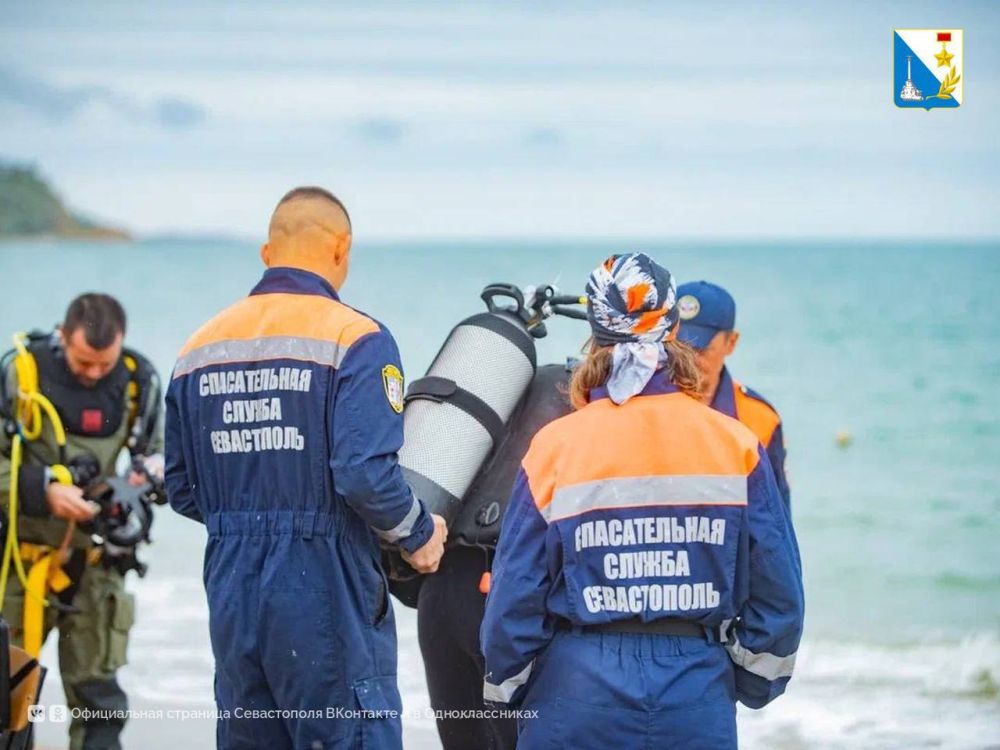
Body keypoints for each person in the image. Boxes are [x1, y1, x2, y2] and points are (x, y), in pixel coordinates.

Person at [481, 253, 804, 749]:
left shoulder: (556, 446)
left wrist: (517, 686)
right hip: (696, 687)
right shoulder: (735, 444)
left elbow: (514, 595)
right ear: (673, 328)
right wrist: (746, 680)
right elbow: (779, 595)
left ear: (595, 334)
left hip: (576, 687)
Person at [164, 186, 448, 750]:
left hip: (233, 587)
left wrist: (249, 513)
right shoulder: (356, 337)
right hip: (323, 583)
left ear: (268, 254)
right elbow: (363, 472)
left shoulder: (198, 347)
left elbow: (181, 488)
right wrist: (417, 533)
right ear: (342, 249)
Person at [0, 293, 164, 750]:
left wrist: (146, 478)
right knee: (7, 700)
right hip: (18, 564)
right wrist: (43, 490)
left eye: (103, 364)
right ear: (62, 336)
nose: (93, 373)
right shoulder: (20, 373)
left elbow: (157, 459)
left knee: (100, 705)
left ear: (122, 343)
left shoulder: (138, 383)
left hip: (96, 565)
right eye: (83, 362)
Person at [675, 280, 791, 509]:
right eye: (679, 348)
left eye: (700, 349)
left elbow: (777, 519)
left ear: (731, 342)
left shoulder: (760, 419)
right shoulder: (642, 409)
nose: (687, 360)